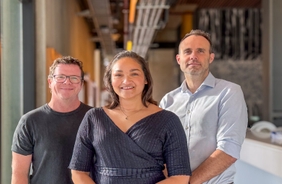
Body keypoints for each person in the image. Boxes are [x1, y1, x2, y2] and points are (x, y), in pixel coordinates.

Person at [69, 50, 191, 184]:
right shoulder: (93, 118)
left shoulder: (168, 121)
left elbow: (180, 177)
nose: (126, 81)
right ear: (110, 80)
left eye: (134, 74)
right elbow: (78, 171)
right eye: (118, 75)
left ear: (146, 79)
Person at [159, 29, 248, 184]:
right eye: (188, 51)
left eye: (200, 51)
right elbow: (160, 150)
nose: (193, 56)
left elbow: (229, 150)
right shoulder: (168, 101)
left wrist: (187, 183)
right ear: (179, 59)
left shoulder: (229, 92)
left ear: (210, 57)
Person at [11, 56, 93, 184]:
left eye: (74, 78)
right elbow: (19, 174)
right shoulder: (30, 121)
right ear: (50, 82)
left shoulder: (95, 118)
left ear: (81, 84)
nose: (67, 82)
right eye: (60, 77)